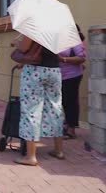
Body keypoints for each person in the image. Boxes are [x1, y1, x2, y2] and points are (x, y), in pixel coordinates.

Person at [12, 35, 64, 166]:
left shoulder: (35, 24)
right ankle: (59, 150)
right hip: (54, 69)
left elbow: (24, 47)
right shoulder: (57, 26)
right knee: (55, 108)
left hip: (35, 70)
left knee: (31, 109)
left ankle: (31, 156)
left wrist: (15, 43)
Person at [58, 27, 86, 138]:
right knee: (63, 101)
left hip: (72, 75)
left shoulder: (74, 41)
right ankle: (67, 123)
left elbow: (81, 58)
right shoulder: (57, 41)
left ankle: (71, 129)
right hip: (59, 75)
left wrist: (63, 59)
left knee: (70, 101)